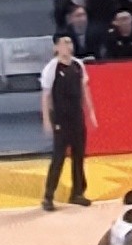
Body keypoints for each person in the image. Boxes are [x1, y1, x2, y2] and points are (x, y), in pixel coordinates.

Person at [40, 33, 97, 212]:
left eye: (70, 42)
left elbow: (84, 90)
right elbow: (46, 96)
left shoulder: (78, 65)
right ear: (56, 47)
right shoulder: (51, 68)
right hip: (61, 119)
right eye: (64, 43)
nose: (68, 45)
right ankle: (48, 196)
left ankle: (77, 193)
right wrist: (47, 119)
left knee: (79, 157)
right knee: (58, 158)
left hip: (77, 117)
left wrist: (91, 113)